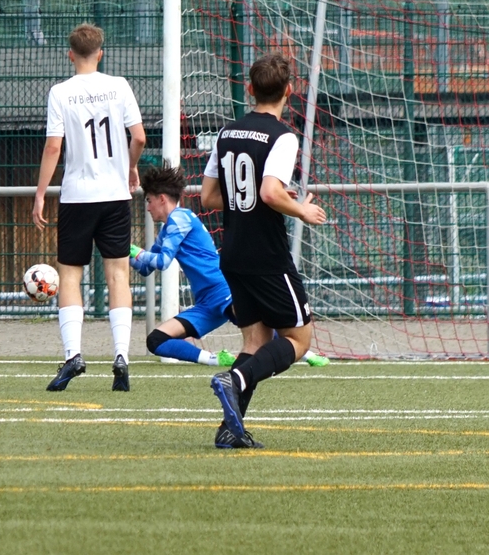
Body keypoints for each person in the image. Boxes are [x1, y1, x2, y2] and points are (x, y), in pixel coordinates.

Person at [202, 52, 327, 448]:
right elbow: (270, 192)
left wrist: (252, 202)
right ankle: (234, 379)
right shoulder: (282, 136)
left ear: (249, 89)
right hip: (267, 254)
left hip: (233, 252)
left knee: (254, 342)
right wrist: (301, 209)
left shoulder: (226, 134)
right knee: (299, 339)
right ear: (289, 91)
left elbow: (209, 197)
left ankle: (229, 430)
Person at [32, 23, 146, 392]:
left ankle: (74, 355)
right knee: (118, 276)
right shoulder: (119, 86)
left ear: (70, 55)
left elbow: (53, 147)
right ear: (101, 53)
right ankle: (121, 356)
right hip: (115, 196)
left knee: (69, 277)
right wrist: (130, 167)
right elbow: (139, 137)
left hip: (77, 196)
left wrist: (40, 193)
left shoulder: (60, 92)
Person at [128, 166, 238, 371]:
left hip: (222, 290)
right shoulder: (168, 228)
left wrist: (136, 251)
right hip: (205, 303)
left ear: (162, 199)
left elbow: (163, 261)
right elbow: (145, 269)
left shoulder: (180, 218)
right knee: (156, 340)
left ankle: (298, 351)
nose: (148, 208)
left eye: (149, 201)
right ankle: (215, 359)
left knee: (257, 327)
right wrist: (122, 251)